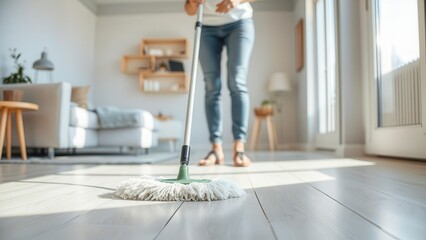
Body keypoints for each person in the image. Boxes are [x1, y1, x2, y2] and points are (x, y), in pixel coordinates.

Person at [184, 0, 255, 167]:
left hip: (240, 22)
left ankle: (239, 147)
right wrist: (193, 3)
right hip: (206, 26)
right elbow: (188, 9)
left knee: (237, 82)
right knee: (211, 86)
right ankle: (216, 149)